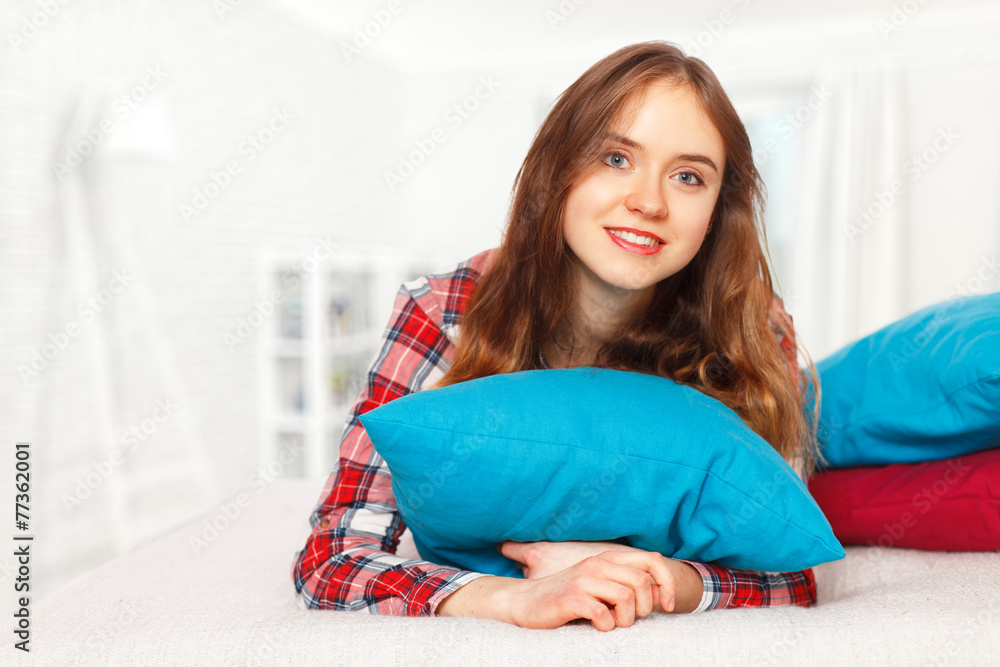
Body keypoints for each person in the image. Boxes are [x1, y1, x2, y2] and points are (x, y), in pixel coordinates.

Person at [291, 40, 823, 631]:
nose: (648, 202)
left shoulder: (754, 323)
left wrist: (653, 575)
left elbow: (791, 572)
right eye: (615, 159)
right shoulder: (444, 308)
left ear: (717, 211)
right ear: (558, 169)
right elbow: (333, 555)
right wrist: (512, 598)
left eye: (688, 176)